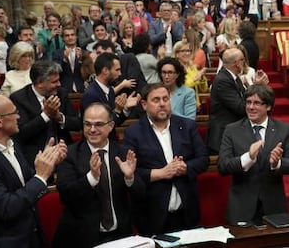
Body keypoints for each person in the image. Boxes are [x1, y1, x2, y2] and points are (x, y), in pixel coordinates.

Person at [0, 94, 67, 248]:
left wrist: (47, 164)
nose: (18, 117)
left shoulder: (12, 143)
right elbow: (6, 208)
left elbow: (26, 186)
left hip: (32, 237)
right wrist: (40, 176)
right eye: (14, 113)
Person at [53, 103, 145, 247]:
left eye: (99, 124)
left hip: (119, 236)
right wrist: (91, 178)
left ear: (111, 126)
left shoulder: (123, 152)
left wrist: (129, 178)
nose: (92, 130)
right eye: (87, 124)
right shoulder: (70, 155)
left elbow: (141, 194)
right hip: (81, 238)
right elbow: (66, 196)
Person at [123, 83, 209, 235]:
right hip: (152, 215)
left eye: (165, 99)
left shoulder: (187, 126)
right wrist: (160, 173)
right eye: (156, 100)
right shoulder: (133, 133)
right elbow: (130, 173)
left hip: (187, 213)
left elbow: (203, 159)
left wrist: (185, 168)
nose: (162, 104)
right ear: (144, 104)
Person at [218, 84, 289, 225]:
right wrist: (248, 158)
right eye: (248, 102)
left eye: (256, 103)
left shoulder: (284, 129)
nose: (251, 107)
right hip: (241, 208)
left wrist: (277, 163)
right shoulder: (232, 130)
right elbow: (223, 166)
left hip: (273, 207)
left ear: (268, 106)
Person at [10, 60, 80, 165]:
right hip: (35, 157)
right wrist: (46, 115)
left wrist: (59, 117)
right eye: (54, 82)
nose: (59, 84)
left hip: (64, 154)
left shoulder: (61, 93)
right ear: (40, 83)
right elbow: (21, 133)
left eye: (58, 80)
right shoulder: (19, 98)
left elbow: (77, 124)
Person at [207, 47, 268, 154]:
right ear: (237, 63)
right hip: (224, 136)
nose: (244, 62)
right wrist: (257, 87)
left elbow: (245, 98)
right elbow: (240, 107)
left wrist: (255, 86)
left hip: (234, 130)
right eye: (242, 59)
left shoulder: (232, 77)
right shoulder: (223, 80)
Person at [81, 53, 139, 141]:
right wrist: (117, 110)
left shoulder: (110, 91)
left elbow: (115, 123)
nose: (120, 74)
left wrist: (125, 108)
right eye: (117, 70)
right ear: (105, 70)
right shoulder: (91, 94)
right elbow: (99, 126)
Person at [172, 40, 208, 111]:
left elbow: (204, 89)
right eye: (184, 51)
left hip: (194, 105)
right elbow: (183, 86)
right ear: (177, 54)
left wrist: (202, 79)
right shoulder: (174, 68)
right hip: (180, 105)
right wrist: (196, 79)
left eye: (189, 51)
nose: (187, 53)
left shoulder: (192, 67)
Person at [52, 26, 85, 93]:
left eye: (72, 35)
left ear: (76, 37)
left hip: (81, 88)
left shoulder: (84, 52)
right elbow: (55, 71)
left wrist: (81, 60)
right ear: (63, 38)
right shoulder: (57, 53)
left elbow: (87, 73)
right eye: (67, 35)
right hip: (63, 88)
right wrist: (64, 59)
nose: (70, 37)